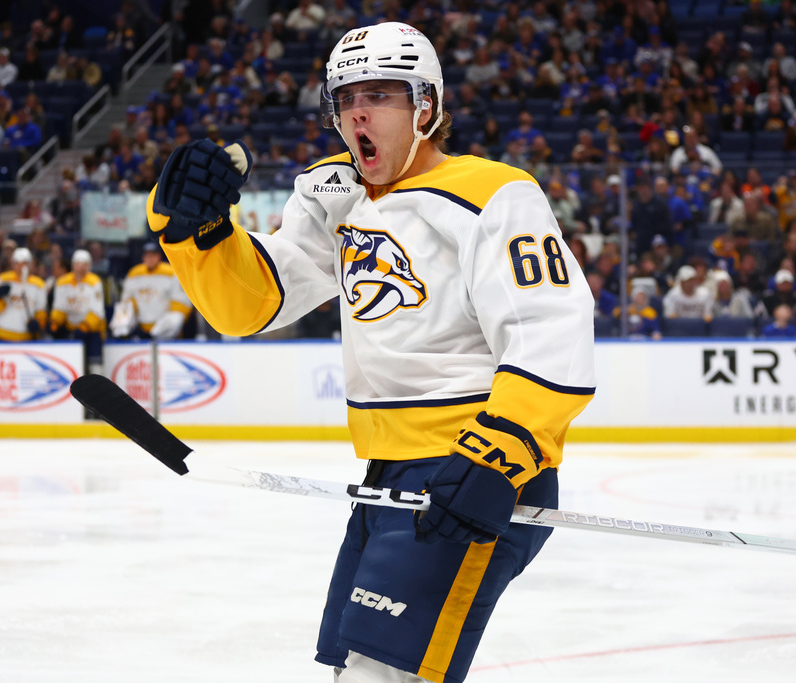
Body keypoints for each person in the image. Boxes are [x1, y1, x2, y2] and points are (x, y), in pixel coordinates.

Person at [144, 22, 595, 683]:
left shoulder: (493, 194)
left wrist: (499, 453)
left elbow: (549, 329)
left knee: (381, 673)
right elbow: (253, 303)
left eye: (380, 94)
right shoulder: (336, 193)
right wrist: (202, 237)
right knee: (355, 668)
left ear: (426, 106)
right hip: (390, 473)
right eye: (346, 97)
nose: (358, 112)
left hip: (476, 466)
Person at [110, 242, 191, 340]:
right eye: (147, 256)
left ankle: (159, 335)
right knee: (123, 309)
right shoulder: (134, 274)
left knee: (176, 317)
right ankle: (123, 336)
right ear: (143, 257)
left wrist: (167, 323)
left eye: (153, 255)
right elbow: (126, 300)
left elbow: (181, 301)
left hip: (163, 324)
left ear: (159, 256)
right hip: (140, 322)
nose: (150, 258)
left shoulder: (171, 272)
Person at [49, 249, 106, 372]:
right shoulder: (62, 282)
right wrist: (55, 322)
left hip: (91, 331)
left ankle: (98, 383)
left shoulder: (94, 281)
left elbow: (97, 310)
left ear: (89, 266)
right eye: (78, 263)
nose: (81, 267)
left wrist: (85, 326)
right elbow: (59, 307)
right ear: (73, 265)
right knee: (70, 364)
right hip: (71, 329)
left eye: (85, 264)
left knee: (95, 366)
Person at [0, 247, 47, 341]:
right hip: (3, 334)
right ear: (13, 264)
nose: (21, 266)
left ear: (31, 264)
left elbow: (40, 311)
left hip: (26, 336)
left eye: (25, 263)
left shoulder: (39, 284)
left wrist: (39, 324)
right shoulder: (4, 279)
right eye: (18, 263)